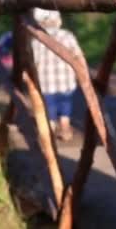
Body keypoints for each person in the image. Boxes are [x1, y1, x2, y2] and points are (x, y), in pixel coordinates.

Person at [31, 8, 82, 141]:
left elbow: (34, 62)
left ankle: (50, 130)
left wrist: (30, 77)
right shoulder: (67, 36)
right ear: (58, 20)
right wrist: (81, 71)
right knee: (66, 105)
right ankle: (65, 127)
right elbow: (77, 55)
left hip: (46, 83)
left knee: (49, 107)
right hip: (66, 81)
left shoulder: (37, 40)